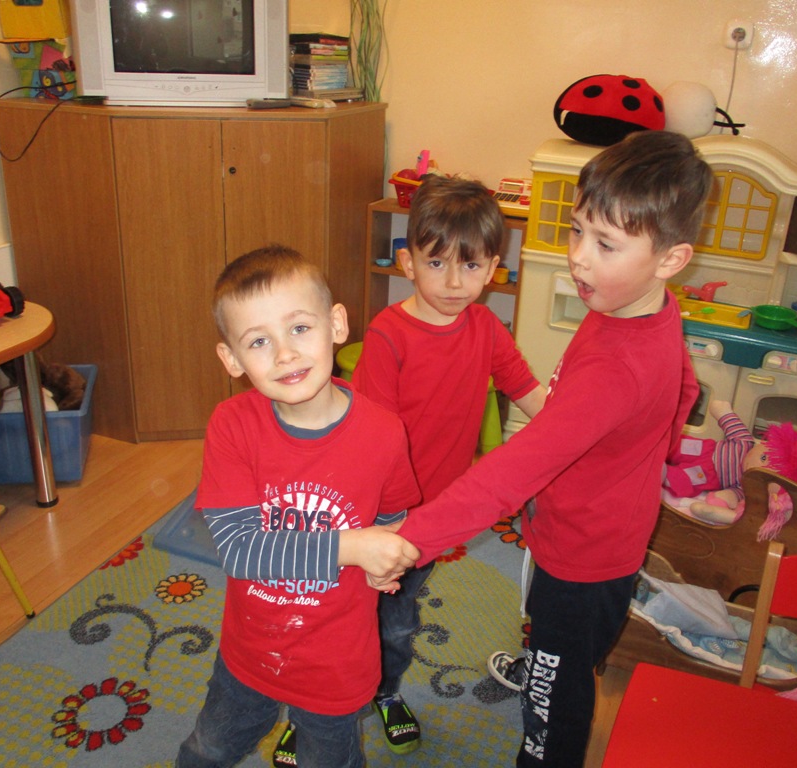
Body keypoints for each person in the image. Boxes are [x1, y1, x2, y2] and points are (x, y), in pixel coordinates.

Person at [387, 130, 714, 768]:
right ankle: (546, 657)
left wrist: (409, 539)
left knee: (555, 700)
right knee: (551, 633)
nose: (580, 260)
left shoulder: (617, 368)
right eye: (577, 231)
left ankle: (546, 695)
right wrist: (653, 450)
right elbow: (685, 385)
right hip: (587, 525)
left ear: (671, 259)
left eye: (606, 245)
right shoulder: (638, 304)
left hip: (585, 554)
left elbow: (510, 472)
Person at [320, 175, 545, 758]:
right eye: (436, 262)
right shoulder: (389, 334)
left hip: (433, 515)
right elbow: (371, 438)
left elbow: (527, 391)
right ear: (407, 262)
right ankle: (315, 708)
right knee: (343, 617)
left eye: (470, 266)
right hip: (378, 511)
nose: (452, 282)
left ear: (493, 269)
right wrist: (386, 522)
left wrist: (576, 436)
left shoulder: (486, 328)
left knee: (398, 620)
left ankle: (386, 691)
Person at [175, 245, 422, 768]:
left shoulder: (384, 432)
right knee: (208, 749)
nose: (284, 354)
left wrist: (386, 561)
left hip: (337, 659)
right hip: (250, 652)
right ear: (232, 360)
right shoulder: (232, 426)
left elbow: (392, 514)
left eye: (300, 328)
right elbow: (241, 551)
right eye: (258, 341)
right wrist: (354, 547)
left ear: (337, 325)